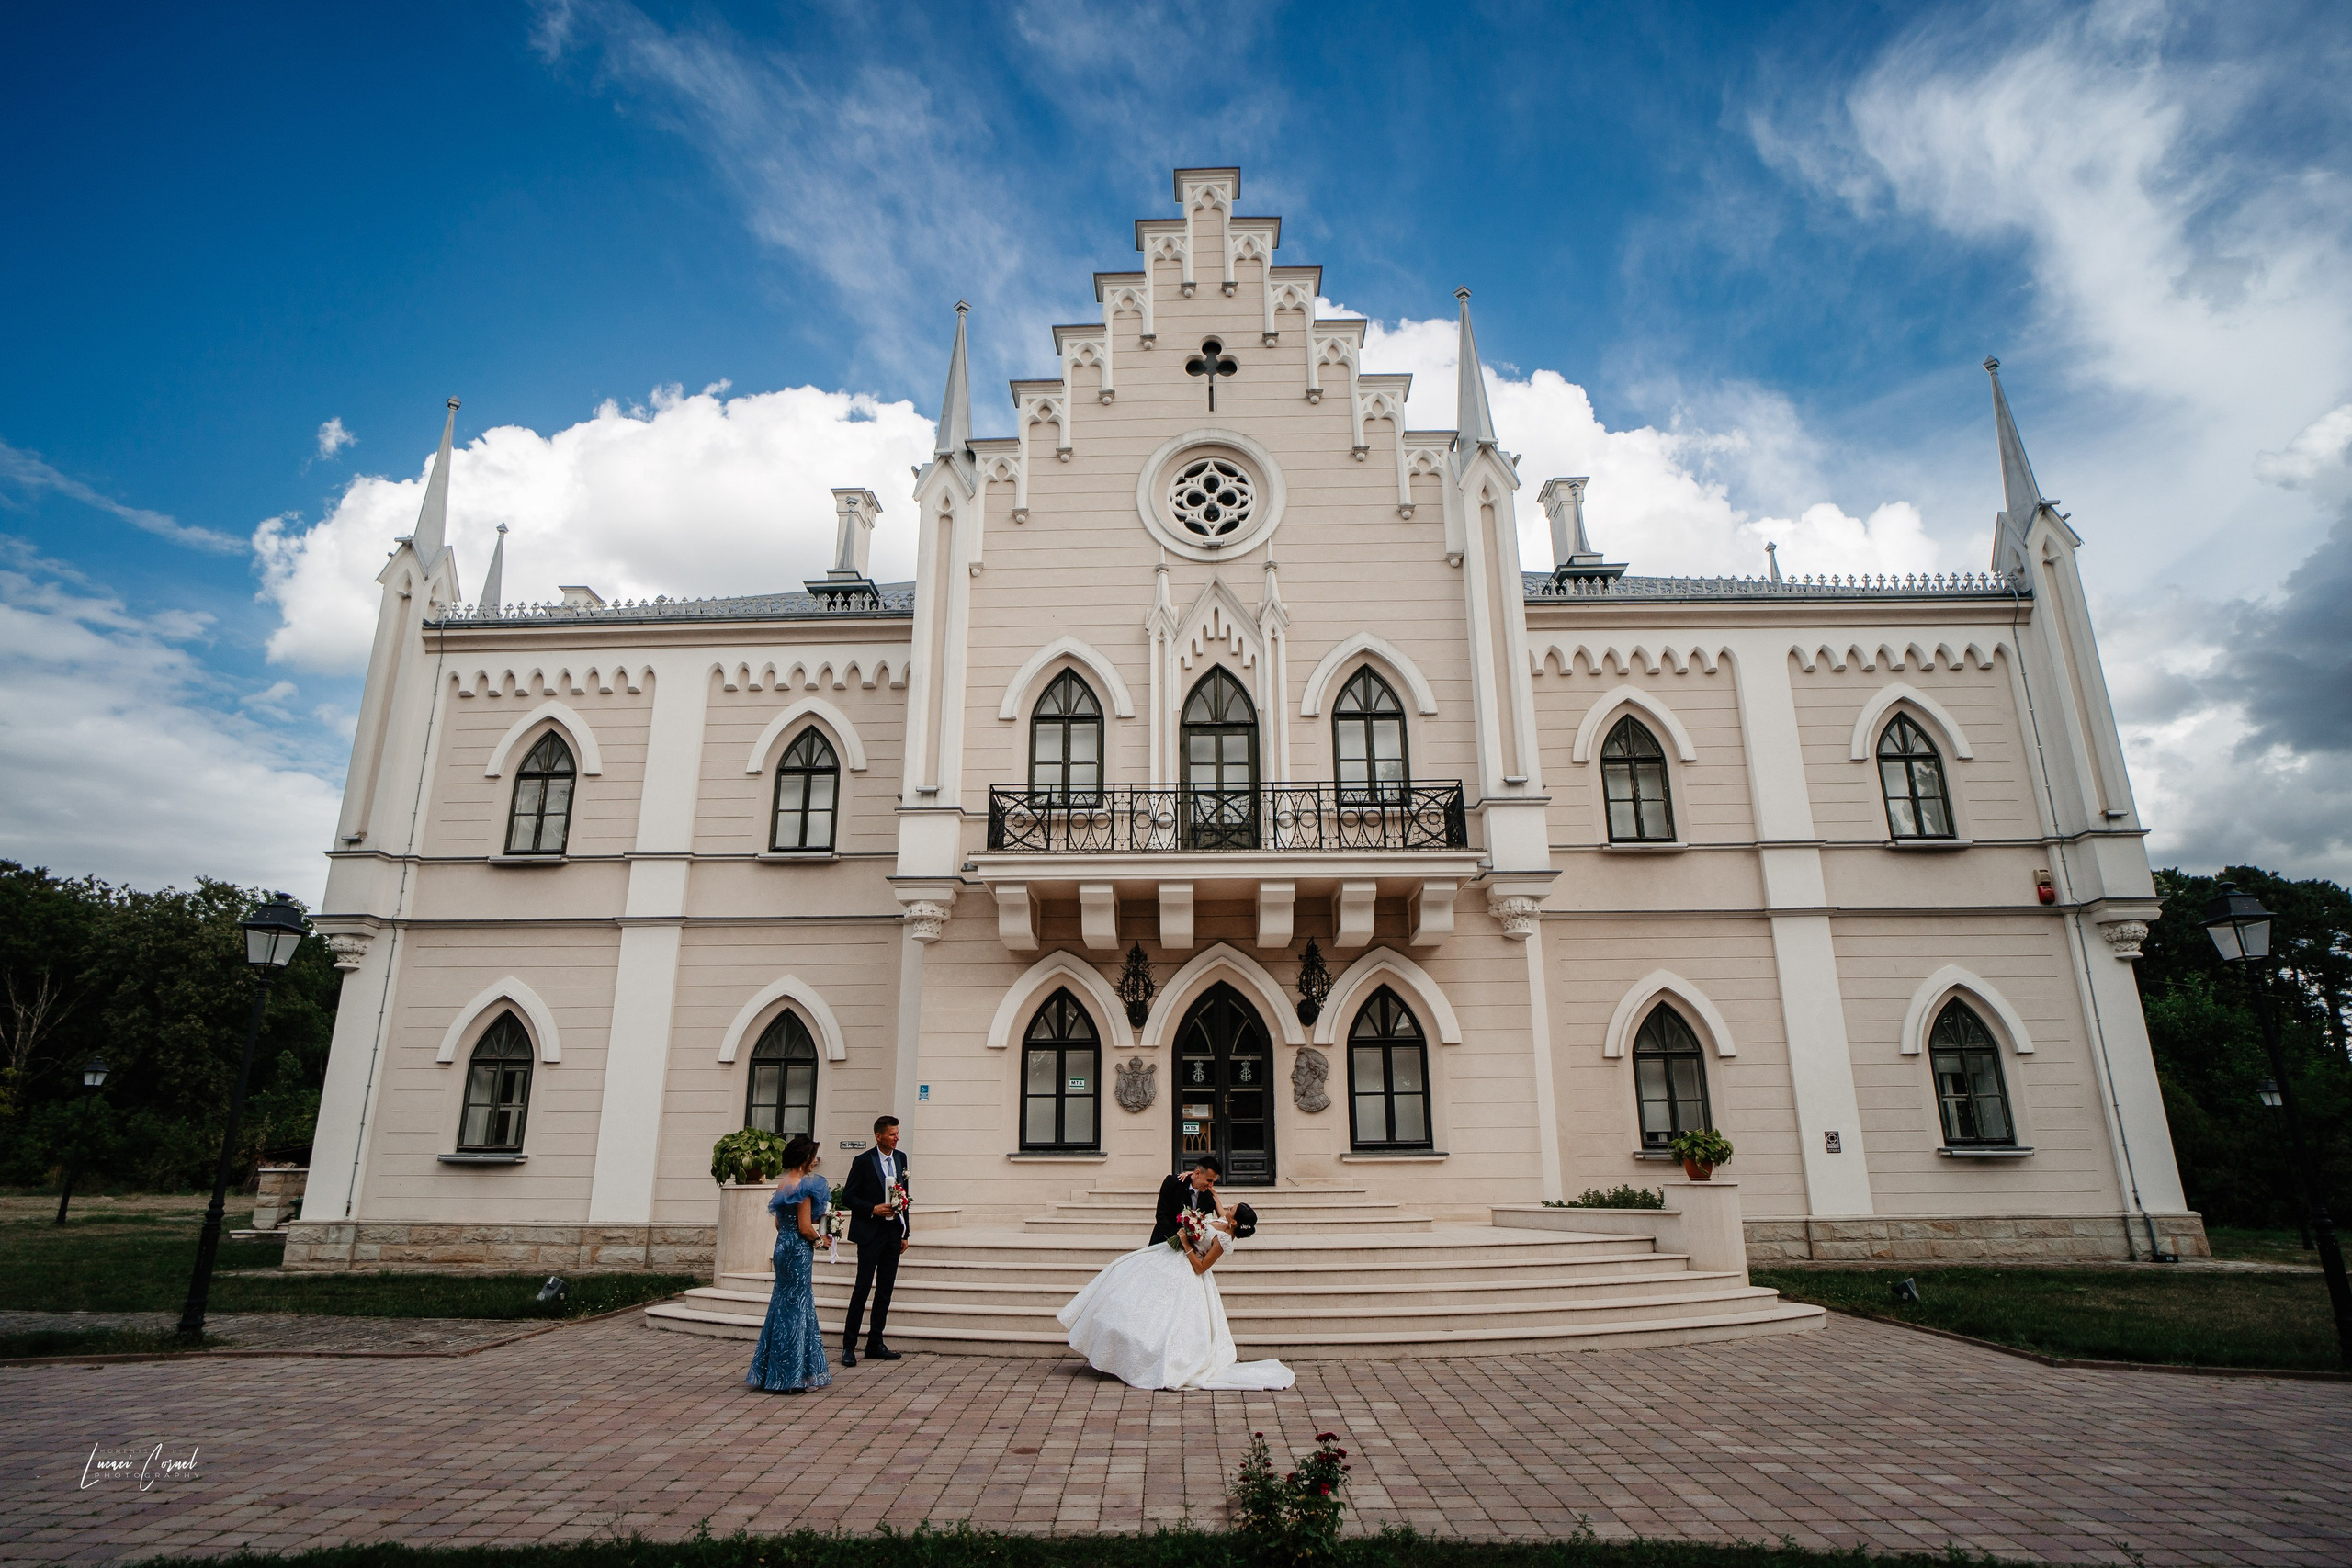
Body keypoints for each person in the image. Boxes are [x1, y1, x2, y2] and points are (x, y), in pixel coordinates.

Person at [1057, 1197, 1294, 1391]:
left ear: (1234, 1223)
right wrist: (1208, 1190)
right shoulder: (1224, 1221)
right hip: (1170, 1258)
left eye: (1232, 1209)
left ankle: (1149, 1358)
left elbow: (1201, 1267)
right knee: (1125, 1278)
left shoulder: (1223, 1240)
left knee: (1165, 1317)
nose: (1228, 1208)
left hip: (1188, 1271)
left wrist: (1186, 1242)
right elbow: (1219, 1209)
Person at [745, 1134, 830, 1394]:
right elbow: (805, 1228)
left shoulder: (783, 1184)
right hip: (798, 1250)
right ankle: (794, 1375)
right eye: (813, 1156)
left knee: (781, 1305)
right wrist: (820, 1240)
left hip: (782, 1246)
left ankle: (770, 1372)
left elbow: (779, 1223)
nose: (815, 1161)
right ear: (804, 1159)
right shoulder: (803, 1187)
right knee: (798, 1307)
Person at [839, 1113, 910, 1365]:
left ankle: (875, 1342)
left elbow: (905, 1196)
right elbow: (848, 1197)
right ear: (879, 1136)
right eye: (892, 1134)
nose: (896, 1138)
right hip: (870, 1233)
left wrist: (905, 1232)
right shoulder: (863, 1161)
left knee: (885, 1290)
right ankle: (849, 1346)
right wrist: (872, 1209)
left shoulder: (901, 1158)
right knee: (862, 1288)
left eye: (897, 1134)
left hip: (893, 1233)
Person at [1150, 1155, 1221, 1246]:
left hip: (1192, 1248)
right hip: (1164, 1240)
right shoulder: (1173, 1183)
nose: (1211, 1185)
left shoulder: (1208, 1196)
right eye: (1209, 1180)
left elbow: (1207, 1223)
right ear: (1197, 1173)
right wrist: (1178, 1238)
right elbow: (1161, 1215)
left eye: (1213, 1182)